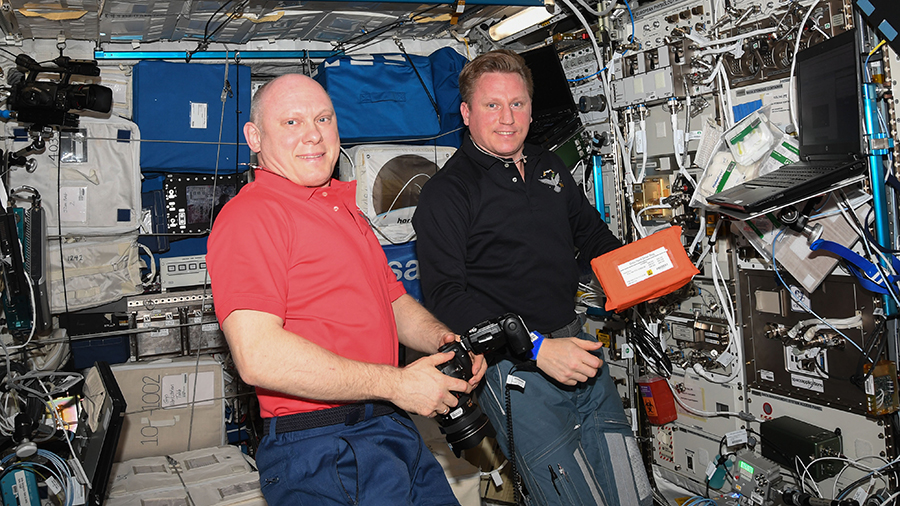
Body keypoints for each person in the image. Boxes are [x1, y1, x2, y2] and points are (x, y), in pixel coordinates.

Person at [207, 74, 486, 506]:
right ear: (254, 137)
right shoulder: (251, 215)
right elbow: (257, 357)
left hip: (387, 427)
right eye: (292, 123)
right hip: (324, 447)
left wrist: (445, 342)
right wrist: (396, 384)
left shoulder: (340, 208)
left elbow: (391, 301)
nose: (314, 135)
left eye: (323, 118)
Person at [413, 50, 653, 506]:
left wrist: (648, 269)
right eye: (492, 105)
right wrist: (537, 347)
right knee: (569, 497)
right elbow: (445, 296)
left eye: (518, 104)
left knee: (629, 487)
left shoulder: (549, 167)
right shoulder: (449, 193)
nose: (508, 118)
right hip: (515, 370)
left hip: (579, 347)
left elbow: (593, 237)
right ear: (466, 113)